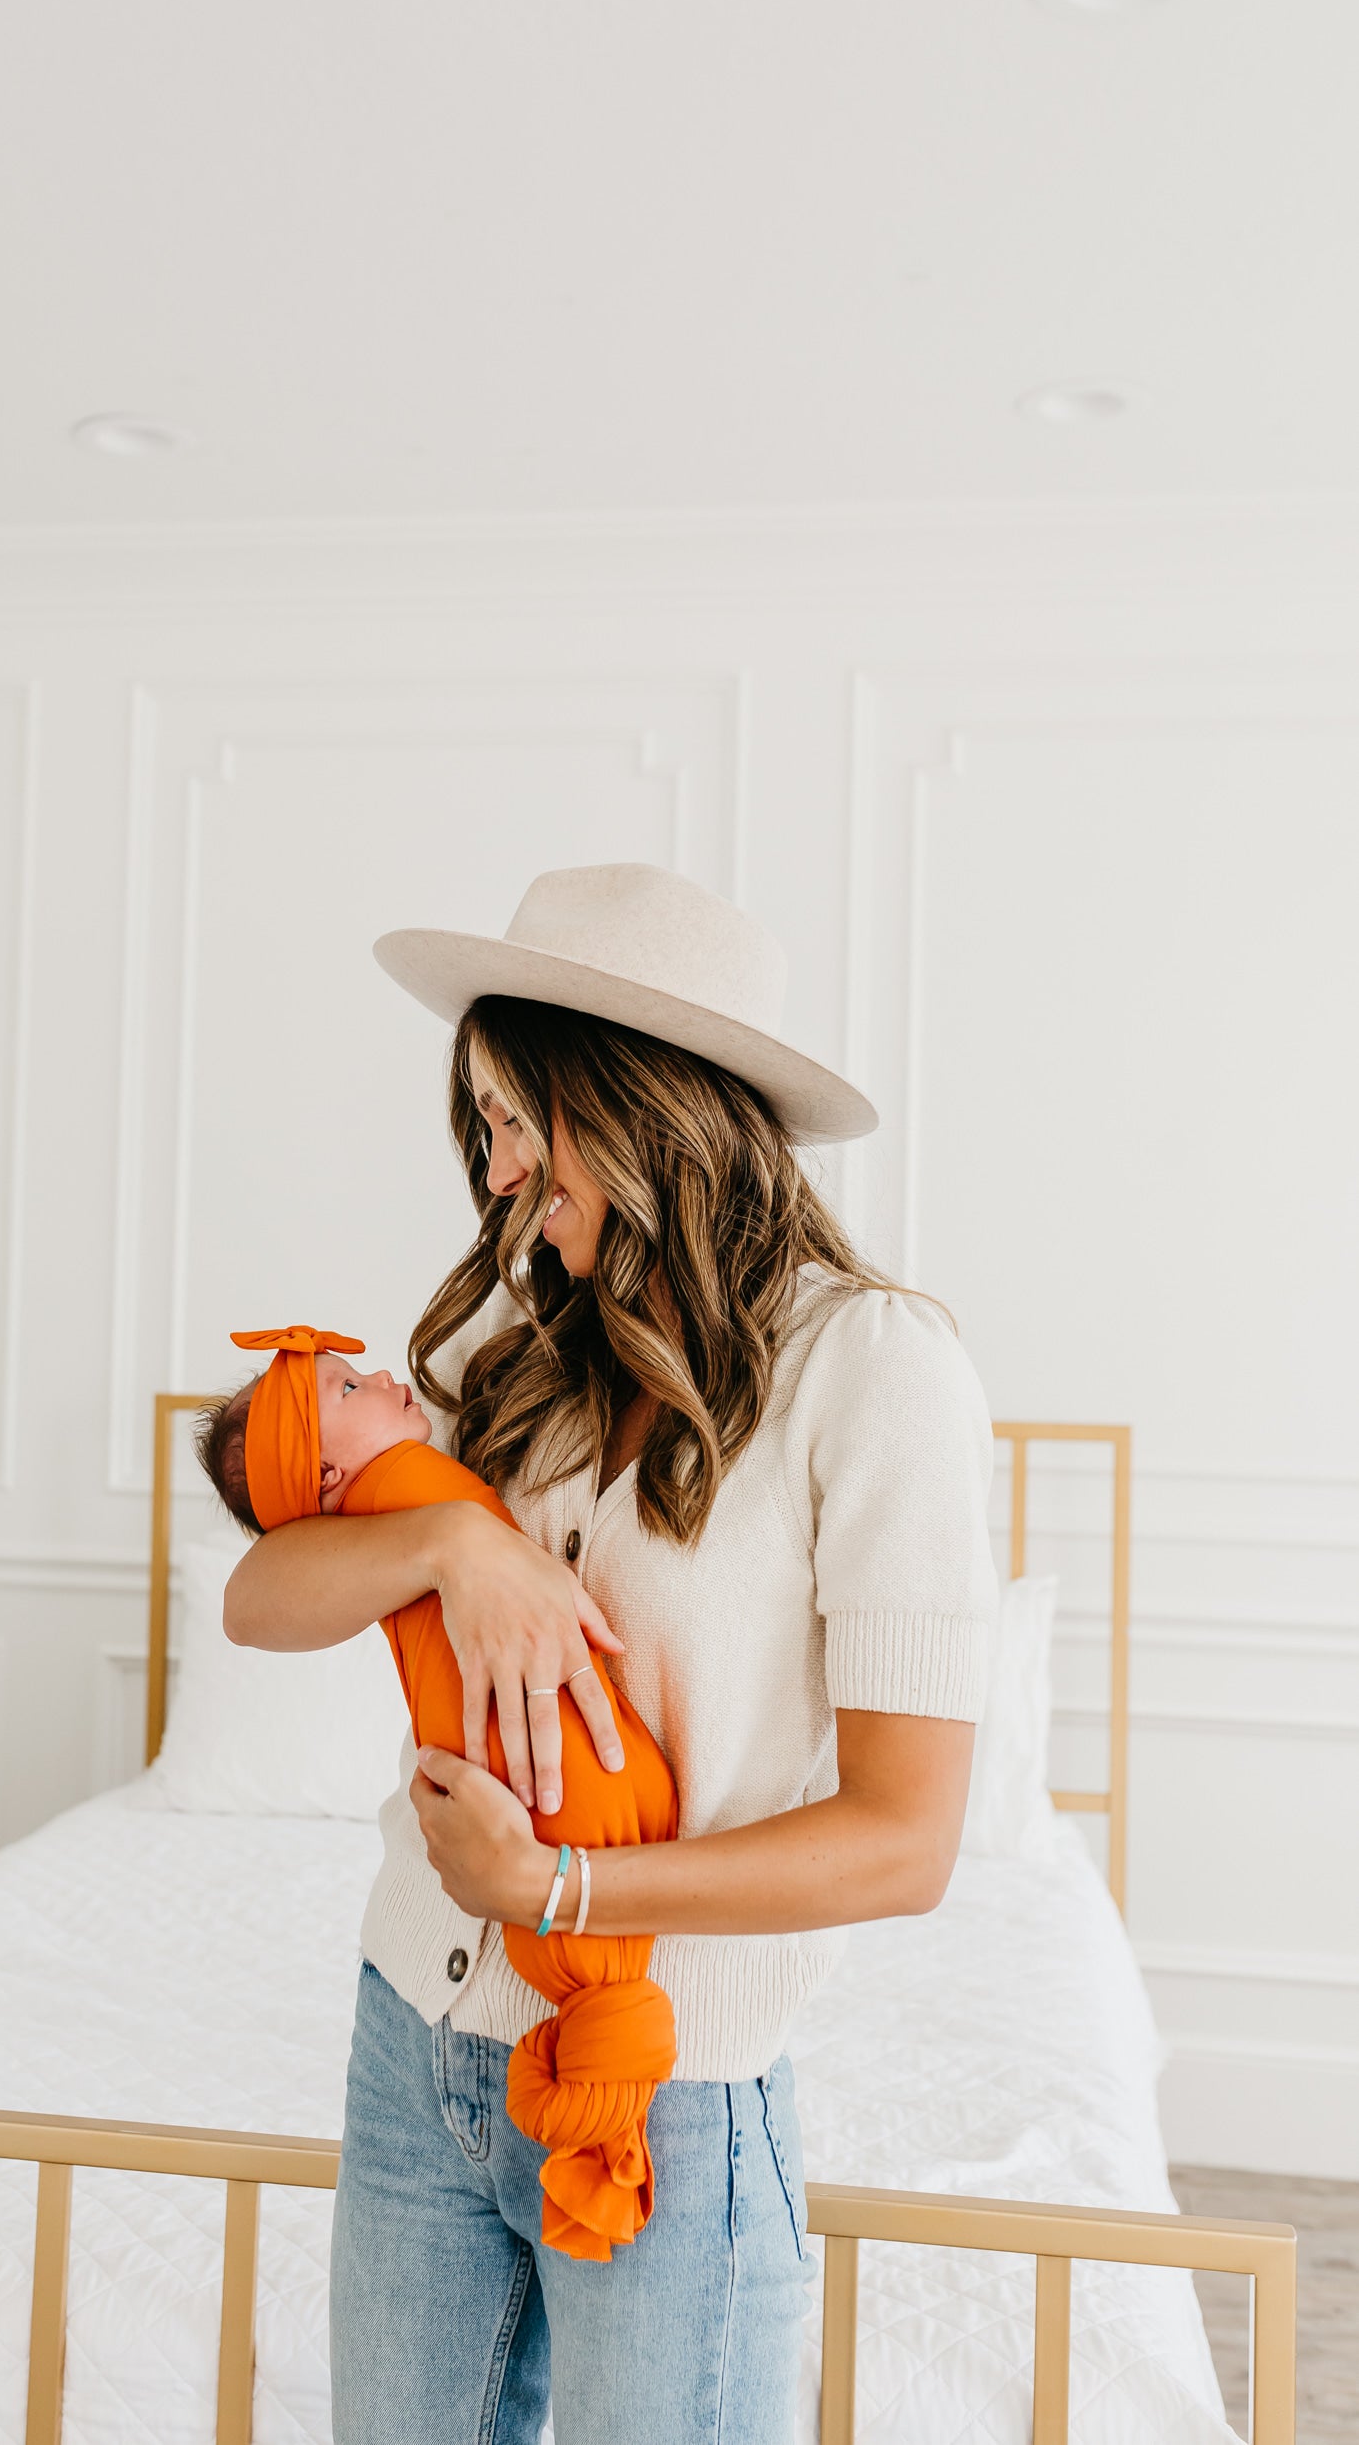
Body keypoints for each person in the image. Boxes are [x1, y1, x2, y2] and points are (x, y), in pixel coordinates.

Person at [224, 863, 998, 2445]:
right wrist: (456, 1548)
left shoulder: (871, 1370)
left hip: (670, 2101)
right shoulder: (513, 1361)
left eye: (520, 1121)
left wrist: (559, 1891)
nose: (498, 1173)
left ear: (638, 1100)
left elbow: (903, 1842)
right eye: (484, 1127)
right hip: (415, 2049)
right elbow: (259, 1599)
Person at [194, 1322, 680, 2260]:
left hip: (671, 2038)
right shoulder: (484, 1362)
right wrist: (453, 1538)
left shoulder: (851, 1361)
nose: (382, 1376)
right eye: (346, 1389)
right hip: (412, 2025)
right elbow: (247, 1603)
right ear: (325, 1477)